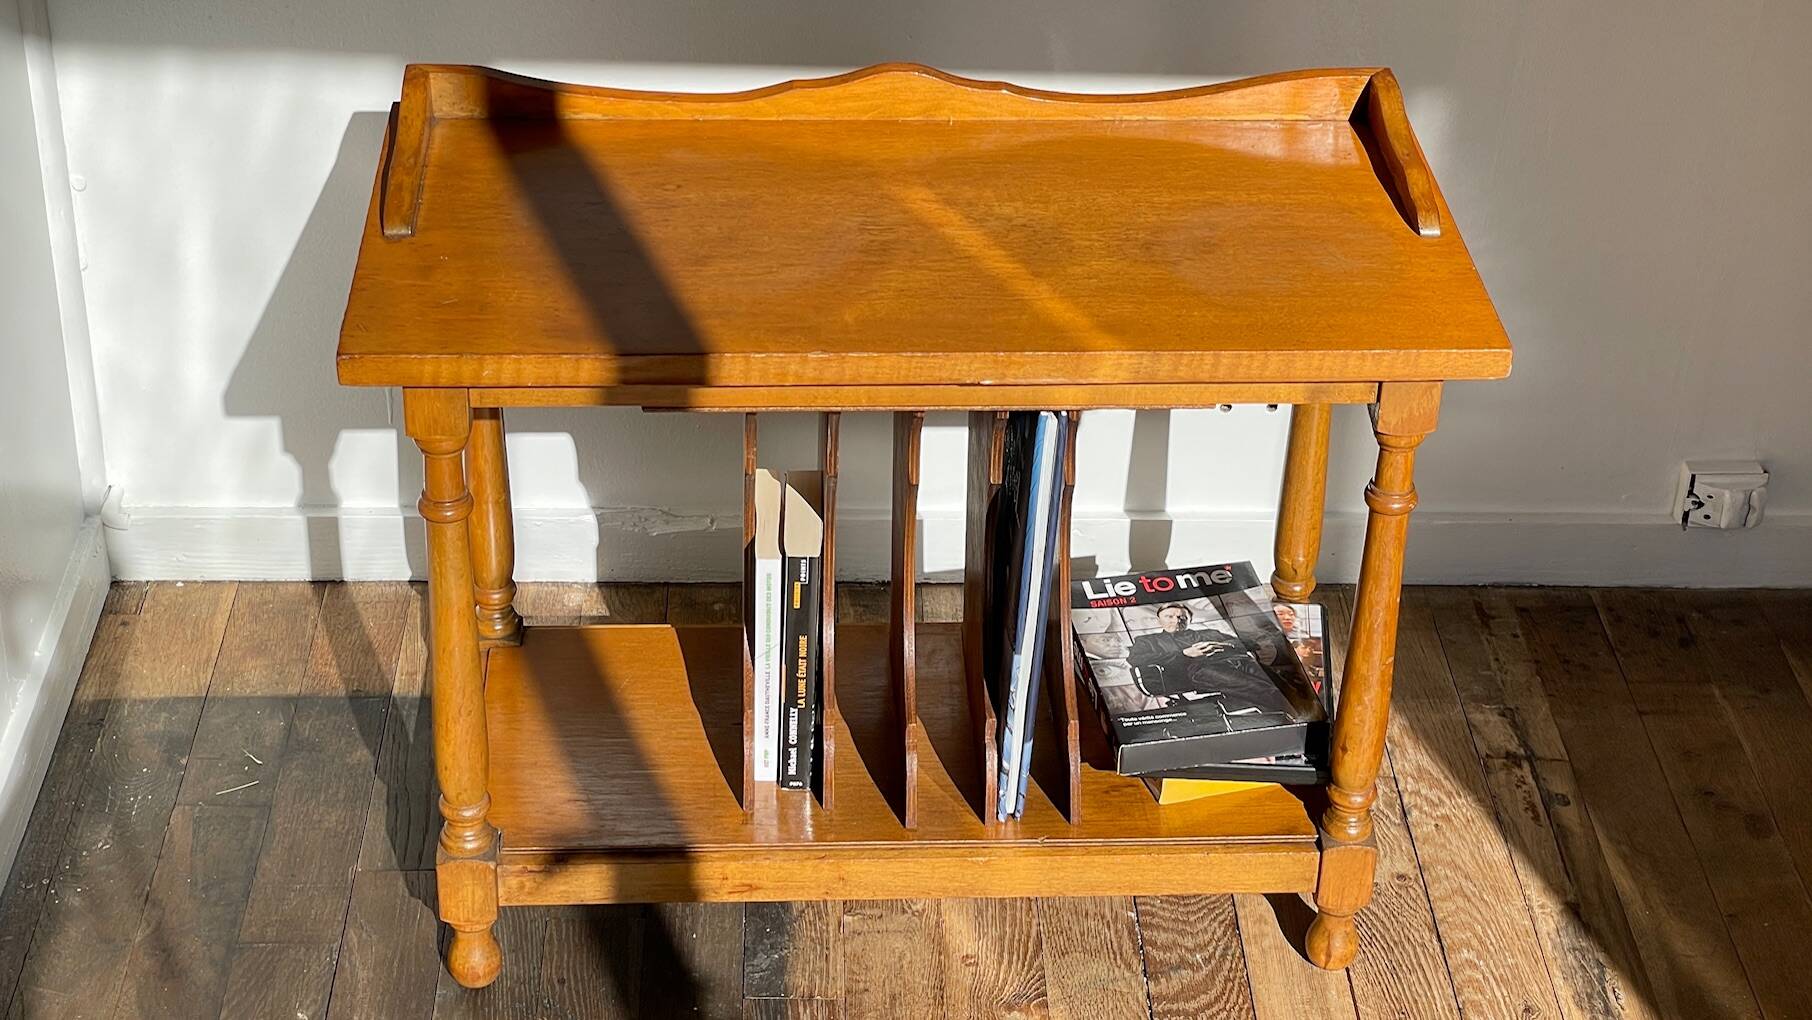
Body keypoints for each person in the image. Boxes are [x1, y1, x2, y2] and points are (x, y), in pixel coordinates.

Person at [1126, 604, 1295, 719]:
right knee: (1256, 686)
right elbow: (1136, 660)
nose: (1177, 620)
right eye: (1169, 616)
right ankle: (1295, 715)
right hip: (1197, 671)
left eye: (1182, 617)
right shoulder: (1148, 641)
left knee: (1277, 681)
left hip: (1237, 661)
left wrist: (1223, 645)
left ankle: (1292, 712)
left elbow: (1249, 644)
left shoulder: (1209, 633)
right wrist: (1184, 654)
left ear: (1189, 619)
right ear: (1159, 620)